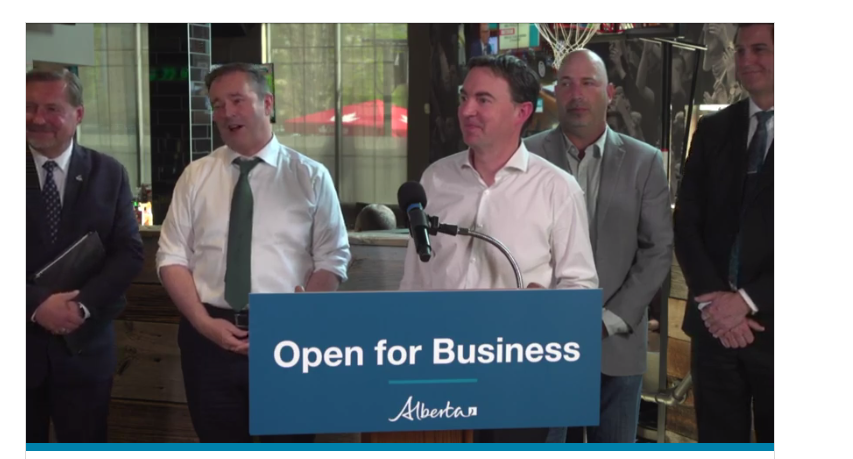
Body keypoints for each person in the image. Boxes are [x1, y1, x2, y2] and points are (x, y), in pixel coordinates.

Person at [399, 54, 598, 443]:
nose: (467, 110)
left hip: (518, 376)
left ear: (522, 111)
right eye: (464, 97)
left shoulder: (556, 189)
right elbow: (415, 280)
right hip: (440, 369)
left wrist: (548, 309)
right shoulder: (434, 180)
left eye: (483, 100)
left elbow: (580, 288)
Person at [156, 63, 351, 443]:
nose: (227, 113)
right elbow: (171, 257)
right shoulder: (196, 176)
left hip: (286, 337)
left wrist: (297, 318)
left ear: (267, 103)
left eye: (236, 100)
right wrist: (202, 323)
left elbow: (332, 258)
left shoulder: (309, 176)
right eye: (217, 104)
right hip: (207, 335)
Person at [525, 49, 673, 443]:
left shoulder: (644, 162)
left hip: (618, 343)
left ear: (609, 92)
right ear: (555, 92)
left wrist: (608, 321)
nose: (576, 93)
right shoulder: (526, 156)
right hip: (544, 343)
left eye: (588, 83)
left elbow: (658, 250)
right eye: (566, 83)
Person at [26, 69, 144, 442]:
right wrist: (35, 304)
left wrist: (81, 306)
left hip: (84, 350)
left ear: (78, 114)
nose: (37, 118)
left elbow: (128, 253)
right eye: (27, 107)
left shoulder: (109, 173)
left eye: (51, 108)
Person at [674, 23, 774, 443]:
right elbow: (686, 223)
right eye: (740, 50)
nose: (746, 61)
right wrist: (716, 302)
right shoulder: (714, 130)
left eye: (760, 49)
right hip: (714, 327)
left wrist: (748, 301)